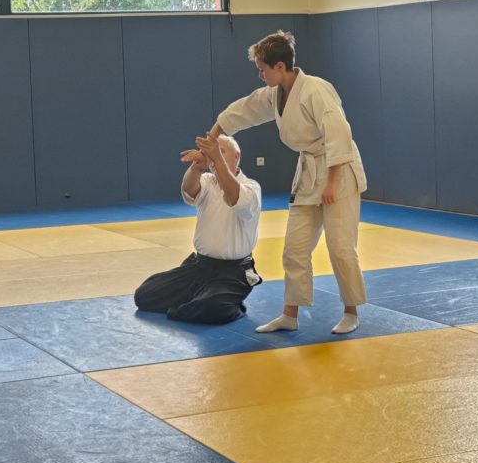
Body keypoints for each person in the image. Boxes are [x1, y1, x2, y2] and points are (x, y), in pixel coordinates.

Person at [208, 30, 367, 334]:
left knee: (341, 247)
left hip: (339, 171)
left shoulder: (316, 90)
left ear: (280, 66)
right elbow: (245, 109)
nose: (260, 75)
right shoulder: (275, 95)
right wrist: (213, 136)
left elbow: (339, 134)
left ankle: (351, 311)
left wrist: (331, 183)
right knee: (294, 247)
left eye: (263, 69)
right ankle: (290, 315)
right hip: (308, 172)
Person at [134, 135, 262, 324]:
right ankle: (198, 299)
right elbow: (190, 190)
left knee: (214, 308)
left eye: (221, 151)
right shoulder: (208, 181)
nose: (215, 155)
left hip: (233, 272)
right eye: (212, 152)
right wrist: (197, 167)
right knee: (145, 295)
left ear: (237, 156)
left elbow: (233, 196)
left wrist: (216, 159)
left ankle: (217, 301)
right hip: (200, 266)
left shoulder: (250, 187)